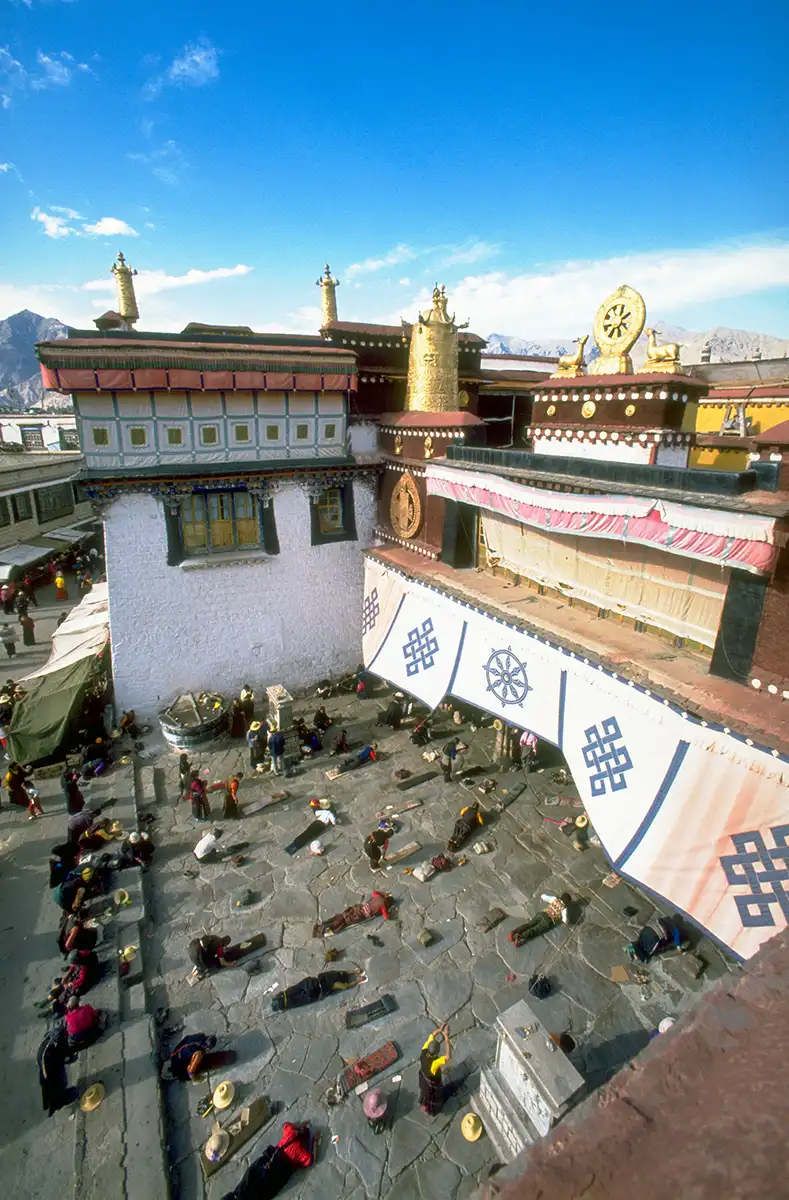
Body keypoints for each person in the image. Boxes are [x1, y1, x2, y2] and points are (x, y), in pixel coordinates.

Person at [221, 1122, 314, 1200]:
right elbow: (310, 1160)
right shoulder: (299, 1151)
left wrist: (298, 1127)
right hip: (277, 1169)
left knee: (250, 1183)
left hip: (268, 1161)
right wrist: (314, 1142)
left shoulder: (290, 1132)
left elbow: (286, 1124)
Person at [271, 969, 365, 1012]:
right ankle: (283, 1003)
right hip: (315, 990)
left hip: (311, 983)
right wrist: (358, 980)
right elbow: (346, 986)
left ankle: (282, 998)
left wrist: (355, 972)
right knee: (300, 999)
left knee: (295, 990)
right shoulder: (336, 982)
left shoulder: (334, 973)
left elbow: (344, 972)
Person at [37, 1026, 77, 1116]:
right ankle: (58, 1103)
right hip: (51, 1074)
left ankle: (49, 1104)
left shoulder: (46, 1044)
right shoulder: (54, 1051)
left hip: (47, 1071)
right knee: (59, 1090)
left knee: (49, 1089)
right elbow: (64, 1055)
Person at [509, 893, 573, 947]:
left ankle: (514, 931)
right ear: (566, 903)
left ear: (561, 897)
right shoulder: (564, 910)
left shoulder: (554, 899)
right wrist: (567, 921)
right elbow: (565, 920)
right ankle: (520, 937)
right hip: (548, 921)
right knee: (534, 930)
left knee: (529, 924)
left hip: (542, 914)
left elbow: (543, 896)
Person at [160, 1033, 229, 1081]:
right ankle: (177, 1074)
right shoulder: (198, 1055)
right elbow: (190, 1072)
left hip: (174, 1054)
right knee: (204, 1063)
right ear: (208, 1048)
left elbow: (186, 1039)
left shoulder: (200, 1035)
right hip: (177, 1067)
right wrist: (198, 1078)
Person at [626, 917, 690, 964]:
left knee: (679, 941)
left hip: (667, 930)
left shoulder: (651, 946)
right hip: (661, 922)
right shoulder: (642, 936)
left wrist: (678, 946)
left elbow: (676, 933)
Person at [419, 1024, 451, 1115]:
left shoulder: (424, 1050)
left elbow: (432, 1035)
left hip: (423, 1079)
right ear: (437, 1053)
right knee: (433, 1098)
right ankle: (431, 1109)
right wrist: (446, 1038)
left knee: (424, 1093)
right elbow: (448, 1056)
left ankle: (424, 1104)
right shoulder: (435, 1063)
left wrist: (439, 1029)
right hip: (432, 1085)